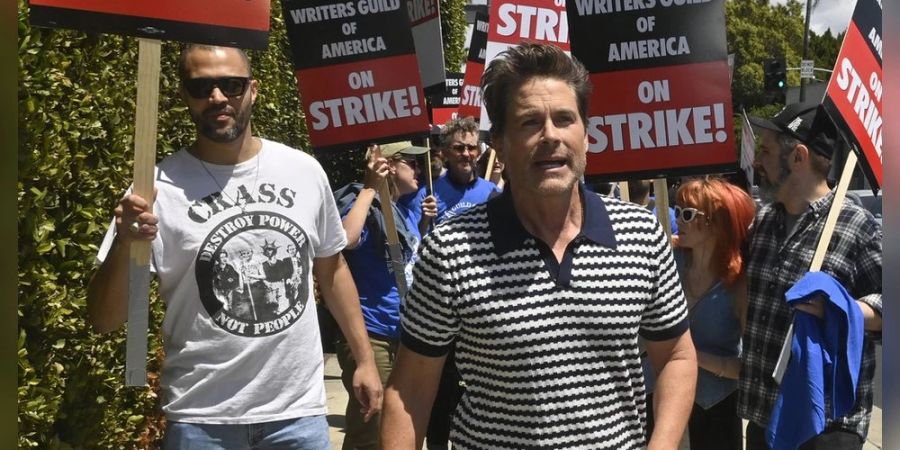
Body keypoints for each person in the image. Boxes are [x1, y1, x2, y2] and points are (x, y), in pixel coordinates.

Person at [381, 42, 697, 450]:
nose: (551, 135)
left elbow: (676, 356)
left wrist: (662, 445)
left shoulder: (642, 234)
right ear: (500, 142)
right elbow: (410, 391)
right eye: (530, 122)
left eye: (565, 119)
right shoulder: (450, 250)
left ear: (586, 134)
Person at [86, 44, 382, 449]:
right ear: (183, 96)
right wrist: (124, 245)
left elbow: (331, 271)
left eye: (232, 85)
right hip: (201, 420)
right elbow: (105, 318)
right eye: (201, 86)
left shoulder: (303, 171)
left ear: (253, 90)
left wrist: (364, 360)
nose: (218, 97)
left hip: (297, 417)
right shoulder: (155, 189)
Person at [740, 102, 882, 449]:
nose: (757, 161)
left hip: (827, 426)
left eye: (767, 150)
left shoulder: (856, 224)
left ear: (798, 157)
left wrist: (839, 306)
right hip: (764, 417)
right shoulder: (761, 223)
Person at [332, 141, 437, 450]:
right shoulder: (364, 202)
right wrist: (368, 188)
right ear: (390, 166)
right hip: (371, 334)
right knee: (370, 425)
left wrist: (423, 223)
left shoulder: (400, 211)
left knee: (394, 424)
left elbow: (403, 263)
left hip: (401, 333)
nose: (418, 170)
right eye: (411, 164)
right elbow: (346, 239)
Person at [644, 178, 755, 450]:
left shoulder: (739, 284)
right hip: (659, 399)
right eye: (678, 210)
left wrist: (690, 355)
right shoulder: (668, 262)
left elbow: (750, 368)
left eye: (688, 213)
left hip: (714, 409)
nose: (678, 219)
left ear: (719, 223)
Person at [423, 116, 501, 450]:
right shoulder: (428, 193)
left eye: (472, 147)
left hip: (483, 307)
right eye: (459, 148)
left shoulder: (493, 194)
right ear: (444, 151)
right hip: (443, 309)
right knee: (441, 392)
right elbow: (415, 251)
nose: (466, 154)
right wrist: (423, 221)